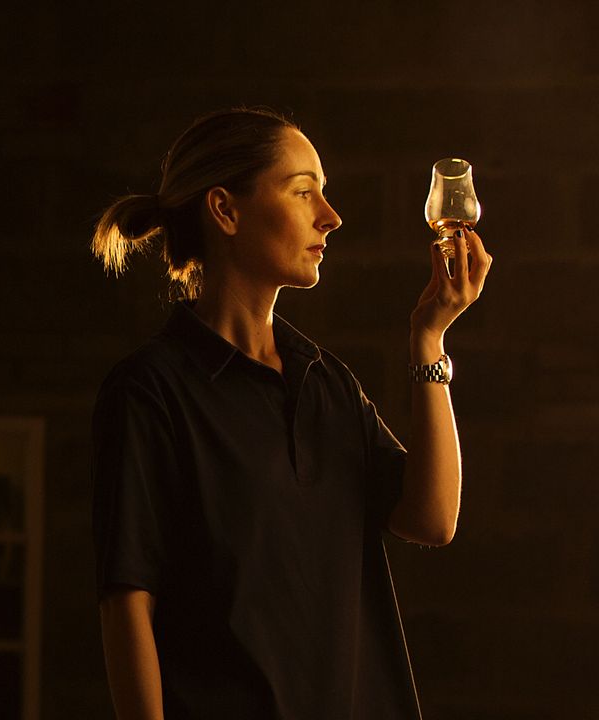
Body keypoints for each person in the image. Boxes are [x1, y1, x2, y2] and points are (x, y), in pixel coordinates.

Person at [90, 107, 492, 719]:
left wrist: (429, 339)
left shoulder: (323, 382)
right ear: (225, 210)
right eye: (303, 191)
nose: (330, 218)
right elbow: (127, 604)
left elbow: (432, 518)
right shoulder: (151, 391)